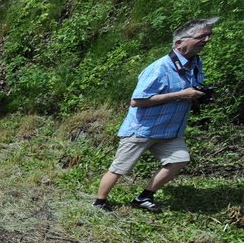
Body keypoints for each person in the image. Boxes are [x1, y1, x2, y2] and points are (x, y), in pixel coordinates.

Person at [93, 17, 218, 213]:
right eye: (201, 36)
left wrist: (199, 97)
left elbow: (190, 89)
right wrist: (180, 95)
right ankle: (99, 202)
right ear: (179, 43)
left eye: (209, 35)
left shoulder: (196, 63)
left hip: (169, 129)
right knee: (120, 168)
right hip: (143, 128)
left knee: (179, 159)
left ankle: (144, 197)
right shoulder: (159, 68)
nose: (207, 40)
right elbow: (137, 100)